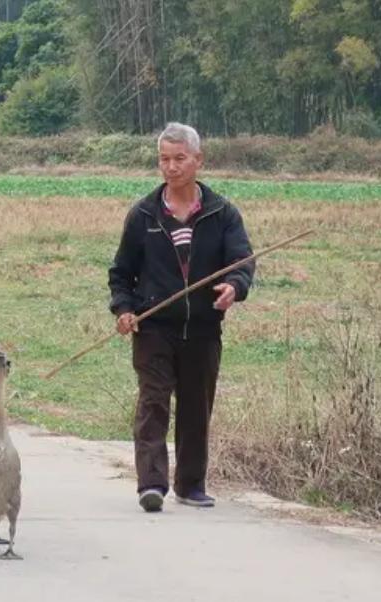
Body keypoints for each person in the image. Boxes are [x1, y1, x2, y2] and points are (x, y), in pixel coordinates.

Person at [107, 122, 254, 512]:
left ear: (198, 160)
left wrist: (233, 288)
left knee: (195, 406)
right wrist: (124, 309)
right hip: (154, 326)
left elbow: (242, 262)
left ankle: (191, 486)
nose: (171, 167)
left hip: (203, 329)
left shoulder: (222, 213)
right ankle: (151, 485)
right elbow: (121, 273)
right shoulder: (143, 214)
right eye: (164, 159)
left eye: (179, 159)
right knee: (153, 401)